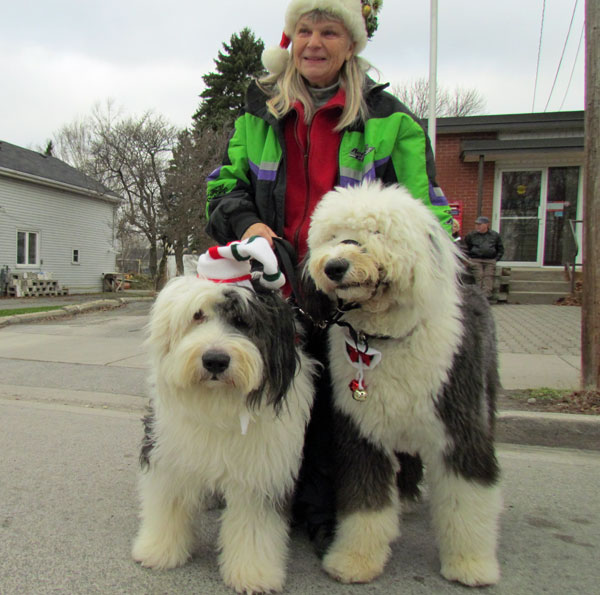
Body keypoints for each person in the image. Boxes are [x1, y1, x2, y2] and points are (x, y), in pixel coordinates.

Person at [204, 0, 452, 554]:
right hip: (277, 277)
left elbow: (427, 209)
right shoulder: (256, 113)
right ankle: (265, 495)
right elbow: (221, 188)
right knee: (278, 392)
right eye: (306, 30)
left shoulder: (393, 121)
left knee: (339, 406)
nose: (315, 42)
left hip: (353, 287)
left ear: (352, 43)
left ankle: (328, 510)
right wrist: (251, 225)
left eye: (330, 31)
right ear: (291, 38)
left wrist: (431, 272)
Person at [464, 216, 504, 300]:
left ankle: (486, 296)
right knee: (479, 275)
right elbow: (466, 247)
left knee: (488, 276)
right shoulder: (471, 235)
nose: (477, 226)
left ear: (486, 225)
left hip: (490, 260)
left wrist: (496, 259)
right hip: (476, 259)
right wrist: (469, 258)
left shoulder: (494, 235)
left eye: (480, 224)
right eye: (476, 224)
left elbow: (500, 248)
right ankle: (479, 295)